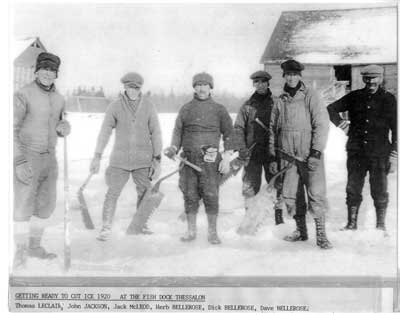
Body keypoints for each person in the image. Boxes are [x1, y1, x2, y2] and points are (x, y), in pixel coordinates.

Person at [13, 52, 71, 267]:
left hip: (50, 158)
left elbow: (59, 125)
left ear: (56, 74)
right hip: (27, 156)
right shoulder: (23, 94)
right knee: (22, 206)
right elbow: (10, 129)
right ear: (36, 71)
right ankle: (20, 251)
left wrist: (63, 129)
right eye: (44, 69)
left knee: (45, 206)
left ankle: (34, 247)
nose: (48, 73)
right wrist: (18, 161)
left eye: (52, 70)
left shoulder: (59, 99)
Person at [90, 72, 162, 241]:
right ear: (125, 87)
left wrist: (157, 159)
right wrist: (97, 155)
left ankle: (141, 224)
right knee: (112, 192)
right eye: (130, 87)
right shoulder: (115, 106)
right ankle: (106, 227)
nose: (133, 91)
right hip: (119, 160)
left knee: (145, 192)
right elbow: (104, 132)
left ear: (140, 88)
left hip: (143, 158)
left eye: (136, 88)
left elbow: (156, 133)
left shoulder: (149, 106)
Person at [269, 59, 332, 249]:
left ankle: (321, 234)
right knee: (293, 195)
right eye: (288, 74)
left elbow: (321, 124)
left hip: (309, 156)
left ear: (300, 76)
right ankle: (301, 230)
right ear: (284, 76)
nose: (291, 77)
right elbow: (272, 129)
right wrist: (273, 156)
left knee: (316, 194)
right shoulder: (280, 100)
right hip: (288, 158)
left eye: (294, 74)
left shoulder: (311, 96)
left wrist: (316, 152)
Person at [164, 72, 234, 244]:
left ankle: (212, 232)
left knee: (211, 195)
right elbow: (178, 132)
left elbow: (230, 135)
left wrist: (226, 158)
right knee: (190, 195)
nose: (202, 88)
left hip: (210, 160)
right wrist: (173, 147)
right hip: (188, 160)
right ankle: (191, 231)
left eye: (205, 85)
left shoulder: (219, 110)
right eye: (198, 85)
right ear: (194, 87)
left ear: (211, 87)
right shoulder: (186, 109)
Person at [327, 65, 397, 231]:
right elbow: (331, 109)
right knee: (353, 188)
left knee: (379, 189)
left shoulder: (389, 99)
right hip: (356, 152)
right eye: (367, 78)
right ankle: (352, 223)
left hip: (379, 153)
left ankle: (380, 225)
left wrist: (394, 155)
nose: (371, 82)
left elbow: (396, 129)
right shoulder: (355, 96)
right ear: (364, 79)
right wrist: (344, 126)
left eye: (374, 78)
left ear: (380, 79)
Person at [233, 70, 284, 225]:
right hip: (252, 152)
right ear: (254, 84)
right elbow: (238, 128)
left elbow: (282, 127)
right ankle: (249, 215)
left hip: (271, 152)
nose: (260, 85)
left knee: (276, 183)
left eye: (263, 81)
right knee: (250, 185)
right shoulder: (247, 106)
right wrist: (242, 147)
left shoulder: (277, 103)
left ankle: (278, 215)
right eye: (257, 82)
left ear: (268, 83)